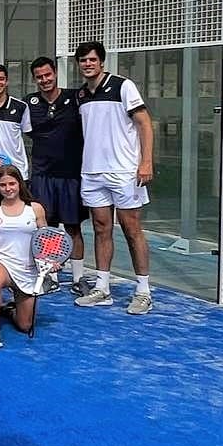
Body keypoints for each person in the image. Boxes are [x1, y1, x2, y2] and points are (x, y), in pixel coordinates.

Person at [72, 41, 155, 314]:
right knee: (100, 228)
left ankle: (143, 291)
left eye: (92, 60)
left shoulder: (123, 85)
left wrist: (145, 162)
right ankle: (102, 287)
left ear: (101, 62)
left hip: (124, 172)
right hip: (93, 173)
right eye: (83, 60)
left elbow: (144, 122)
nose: (88, 64)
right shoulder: (82, 95)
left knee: (132, 230)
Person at [27, 57, 93, 294]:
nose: (44, 80)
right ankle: (50, 276)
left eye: (48, 75)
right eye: (39, 77)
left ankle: (78, 278)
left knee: (73, 228)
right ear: (34, 79)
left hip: (71, 175)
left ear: (55, 74)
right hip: (42, 175)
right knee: (47, 228)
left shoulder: (76, 98)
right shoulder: (29, 104)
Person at [0, 165, 51, 348]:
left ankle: (10, 309)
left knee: (25, 325)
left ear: (19, 184)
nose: (8, 188)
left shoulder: (36, 209)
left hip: (28, 269)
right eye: (3, 185)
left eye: (12, 183)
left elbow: (46, 240)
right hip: (1, 261)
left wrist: (50, 260)